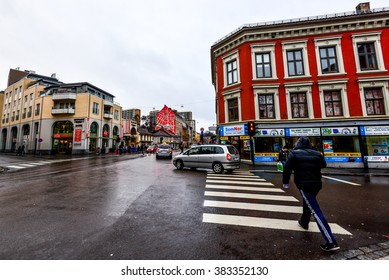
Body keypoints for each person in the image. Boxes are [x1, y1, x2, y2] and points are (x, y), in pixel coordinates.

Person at [282, 136, 339, 252]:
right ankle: (304, 222)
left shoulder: (294, 154)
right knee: (308, 202)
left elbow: (287, 169)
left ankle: (331, 241)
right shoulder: (317, 154)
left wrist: (285, 183)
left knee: (316, 211)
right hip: (316, 185)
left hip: (304, 185)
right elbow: (323, 165)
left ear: (298, 144)